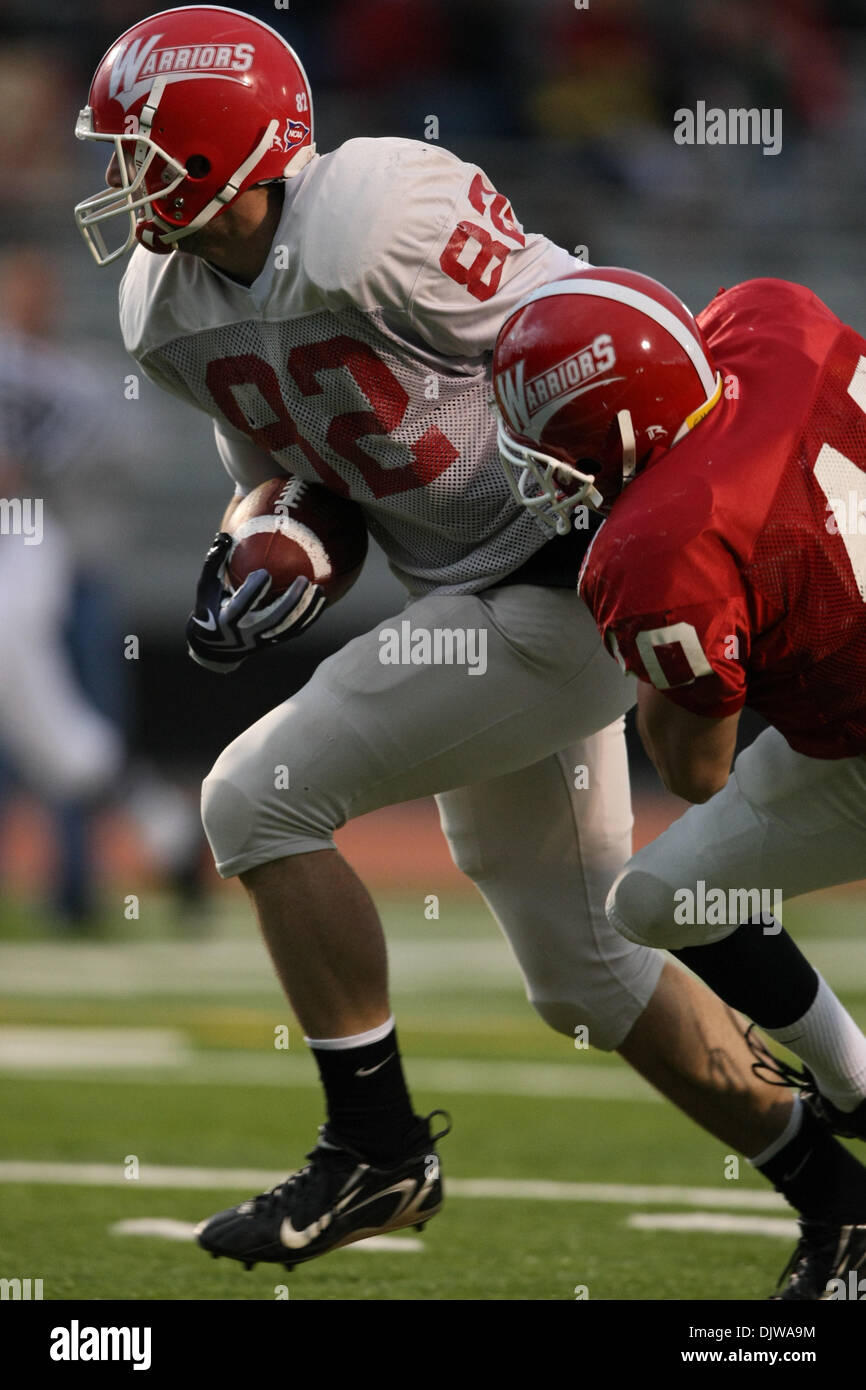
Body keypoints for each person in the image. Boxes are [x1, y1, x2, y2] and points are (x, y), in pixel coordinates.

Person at [74, 5, 843, 1297]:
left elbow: (602, 332)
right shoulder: (163, 306)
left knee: (254, 796)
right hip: (469, 593)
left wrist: (660, 548)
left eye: (136, 145)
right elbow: (278, 476)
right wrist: (262, 547)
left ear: (220, 147)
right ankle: (842, 1196)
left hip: (566, 578)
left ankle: (371, 1146)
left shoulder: (373, 212)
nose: (113, 176)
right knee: (587, 976)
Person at [493, 263, 866, 1299]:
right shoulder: (767, 317)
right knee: (658, 898)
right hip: (840, 727)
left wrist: (689, 632)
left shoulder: (657, 547)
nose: (548, 473)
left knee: (669, 889)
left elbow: (696, 769)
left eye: (558, 448)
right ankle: (849, 1083)